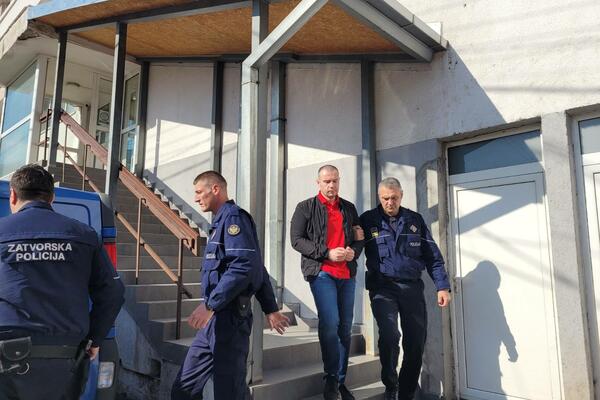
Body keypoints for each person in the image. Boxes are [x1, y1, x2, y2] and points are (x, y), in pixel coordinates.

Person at [0, 164, 125, 400]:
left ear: (13, 196)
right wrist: (95, 338)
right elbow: (113, 292)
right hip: (67, 358)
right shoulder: (84, 234)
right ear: (52, 198)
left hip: (6, 358)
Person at [171, 171, 290, 400]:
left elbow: (245, 266)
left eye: (199, 192)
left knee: (229, 392)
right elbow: (256, 266)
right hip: (212, 322)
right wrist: (271, 309)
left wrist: (210, 305)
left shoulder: (234, 219)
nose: (196, 198)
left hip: (230, 320)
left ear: (215, 189)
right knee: (184, 388)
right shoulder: (219, 223)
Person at [360, 177, 451, 400]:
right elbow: (350, 246)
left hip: (411, 288)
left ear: (401, 196)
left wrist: (442, 286)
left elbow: (433, 257)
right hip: (382, 288)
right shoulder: (367, 220)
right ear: (379, 197)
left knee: (415, 341)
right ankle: (391, 385)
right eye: (385, 198)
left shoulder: (414, 220)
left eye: (394, 198)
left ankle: (406, 393)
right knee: (389, 336)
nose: (390, 202)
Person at [290, 165, 364, 400]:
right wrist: (327, 253)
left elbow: (360, 238)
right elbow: (296, 240)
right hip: (321, 272)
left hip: (347, 275)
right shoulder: (305, 207)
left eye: (335, 181)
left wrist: (353, 252)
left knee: (345, 327)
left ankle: (340, 381)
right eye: (327, 181)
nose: (331, 185)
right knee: (330, 322)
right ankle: (330, 378)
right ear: (318, 183)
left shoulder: (348, 208)